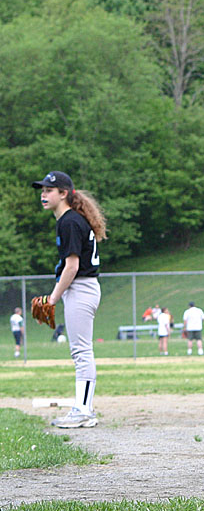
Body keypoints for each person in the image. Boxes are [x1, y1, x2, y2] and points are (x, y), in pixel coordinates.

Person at [32, 170, 106, 428]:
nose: (43, 194)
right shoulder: (71, 219)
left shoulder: (69, 221)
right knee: (82, 351)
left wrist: (52, 298)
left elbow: (71, 267)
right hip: (83, 288)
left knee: (81, 352)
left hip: (81, 288)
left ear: (64, 193)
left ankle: (83, 410)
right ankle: (85, 408)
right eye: (42, 190)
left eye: (49, 190)